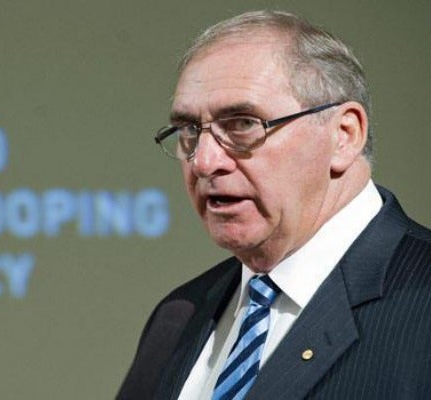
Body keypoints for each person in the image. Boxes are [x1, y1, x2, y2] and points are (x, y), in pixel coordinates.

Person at [117, 10, 431, 400]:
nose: (204, 162)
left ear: (344, 135)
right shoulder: (177, 317)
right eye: (189, 130)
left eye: (243, 124)